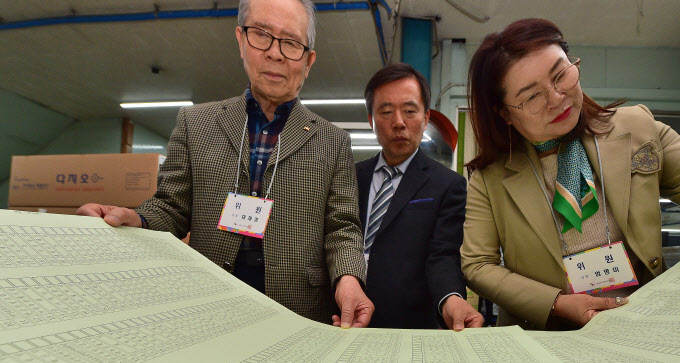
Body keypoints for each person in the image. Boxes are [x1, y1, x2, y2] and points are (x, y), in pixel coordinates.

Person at [462, 18, 680, 331]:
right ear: (506, 114)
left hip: (642, 325)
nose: (557, 97)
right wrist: (555, 303)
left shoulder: (637, 129)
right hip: (548, 335)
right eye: (532, 96)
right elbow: (479, 265)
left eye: (561, 74)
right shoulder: (490, 177)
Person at [77, 0, 373, 328]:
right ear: (241, 39)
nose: (275, 53)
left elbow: (342, 227)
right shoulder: (196, 122)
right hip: (209, 302)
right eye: (262, 34)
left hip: (299, 309)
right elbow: (171, 209)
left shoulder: (334, 141)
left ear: (309, 59)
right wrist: (136, 218)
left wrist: (349, 280)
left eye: (291, 43)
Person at [357, 64, 483, 330]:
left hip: (409, 324)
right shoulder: (351, 176)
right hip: (345, 316)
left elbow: (444, 255)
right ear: (371, 119)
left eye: (410, 111)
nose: (399, 122)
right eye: (386, 111)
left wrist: (451, 297)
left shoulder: (447, 184)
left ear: (425, 118)